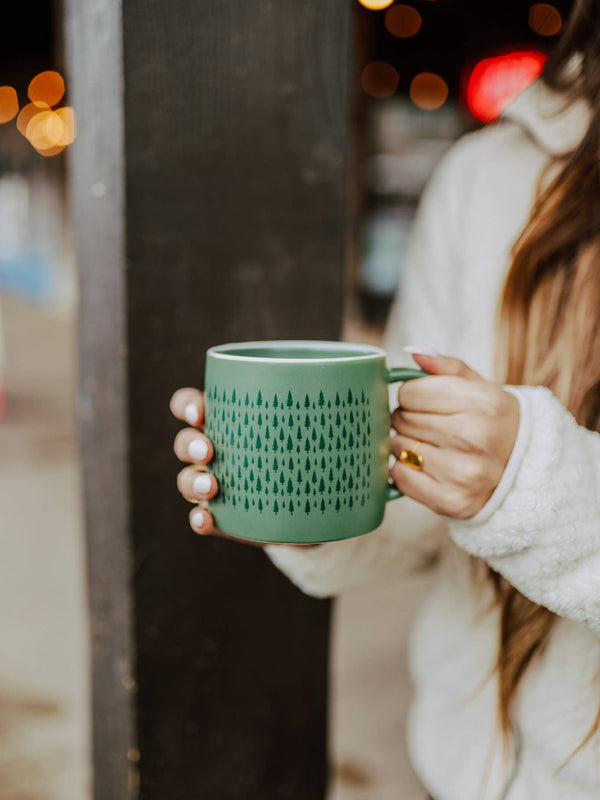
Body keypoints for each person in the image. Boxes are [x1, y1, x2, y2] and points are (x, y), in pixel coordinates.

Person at [170, 2, 600, 797]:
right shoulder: (486, 175)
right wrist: (303, 494)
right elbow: (420, 510)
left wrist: (532, 480)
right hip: (458, 768)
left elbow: (516, 491)